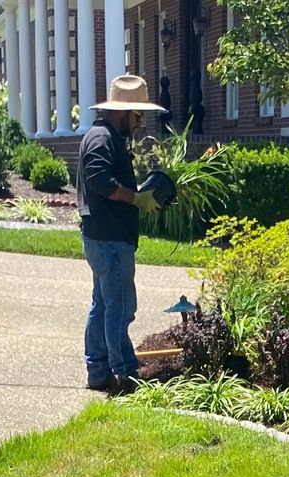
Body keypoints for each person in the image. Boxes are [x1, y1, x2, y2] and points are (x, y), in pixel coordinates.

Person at [77, 73, 165, 394]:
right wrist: (136, 197)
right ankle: (125, 374)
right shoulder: (102, 139)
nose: (140, 122)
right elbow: (101, 181)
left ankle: (98, 372)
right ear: (122, 111)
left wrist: (139, 193)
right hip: (110, 239)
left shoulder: (107, 137)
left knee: (102, 305)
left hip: (104, 237)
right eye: (138, 115)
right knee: (121, 307)